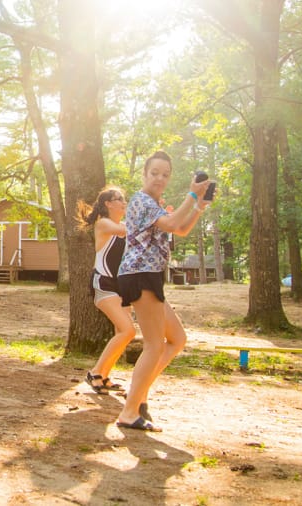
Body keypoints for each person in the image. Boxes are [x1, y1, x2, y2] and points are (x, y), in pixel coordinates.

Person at [115, 151, 211, 432]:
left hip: (149, 275)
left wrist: (199, 207)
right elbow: (171, 223)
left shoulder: (156, 204)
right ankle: (130, 410)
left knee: (177, 339)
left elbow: (179, 229)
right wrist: (192, 196)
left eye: (165, 174)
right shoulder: (141, 201)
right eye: (154, 173)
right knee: (155, 344)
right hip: (139, 274)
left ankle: (138, 395)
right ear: (144, 175)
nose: (160, 178)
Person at [77, 186, 134, 395]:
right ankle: (94, 373)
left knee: (123, 333)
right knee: (129, 330)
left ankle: (103, 374)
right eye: (118, 199)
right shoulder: (104, 224)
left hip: (121, 285)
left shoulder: (125, 226)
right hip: (103, 284)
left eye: (124, 199)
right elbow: (126, 230)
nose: (123, 202)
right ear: (108, 204)